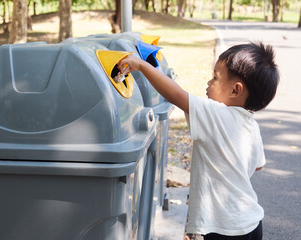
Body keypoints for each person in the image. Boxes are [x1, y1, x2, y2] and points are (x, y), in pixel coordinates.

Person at [118, 42, 279, 240]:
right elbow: (258, 166)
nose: (208, 83)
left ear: (236, 90)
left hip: (223, 227)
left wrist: (143, 66)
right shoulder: (251, 125)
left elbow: (176, 95)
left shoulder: (216, 114)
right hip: (251, 222)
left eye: (215, 77)